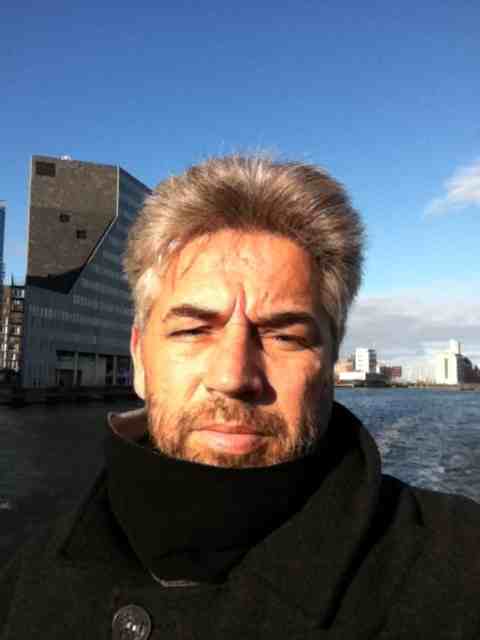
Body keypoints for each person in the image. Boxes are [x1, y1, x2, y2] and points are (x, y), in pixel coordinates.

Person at [1, 155, 479, 639]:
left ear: (331, 363)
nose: (233, 376)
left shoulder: (461, 571)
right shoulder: (24, 580)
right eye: (193, 330)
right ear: (140, 358)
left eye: (284, 336)